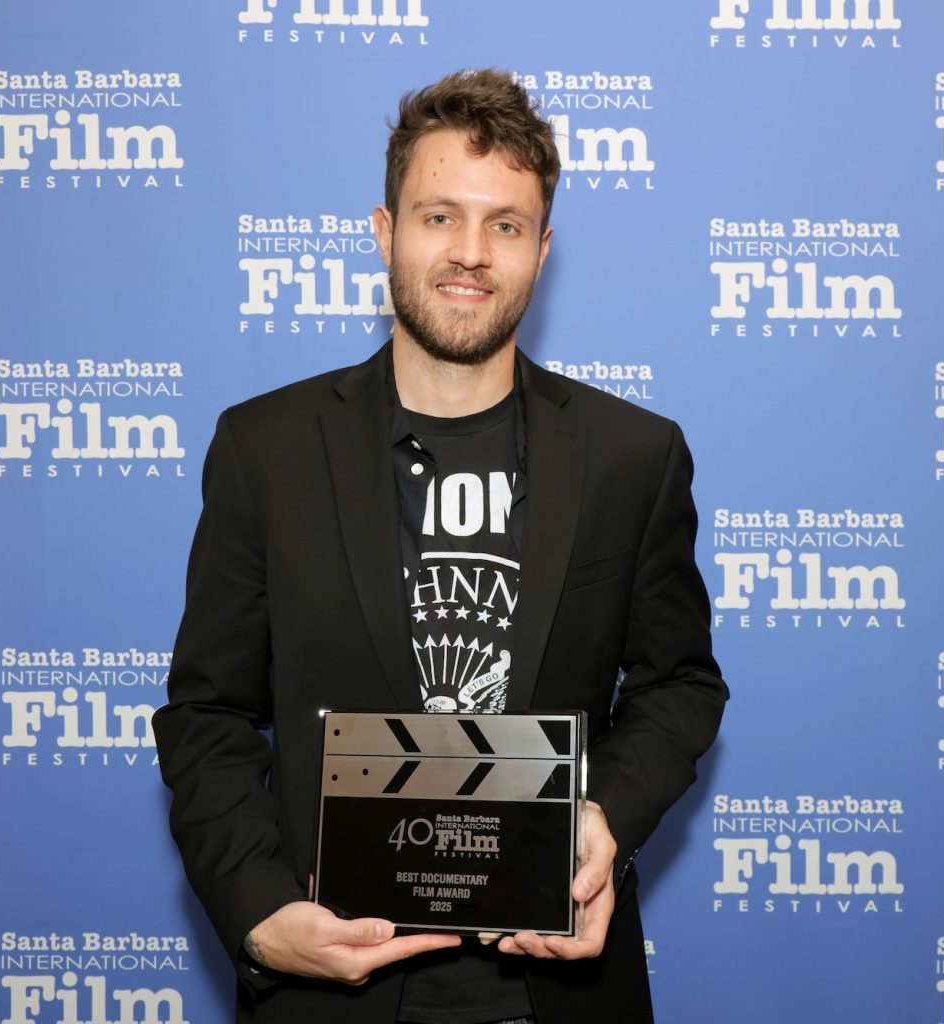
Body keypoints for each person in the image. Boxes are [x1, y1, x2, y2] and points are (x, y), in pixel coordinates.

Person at [153, 68, 726, 1024]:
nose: (470, 252)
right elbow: (207, 713)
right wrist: (260, 915)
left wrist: (603, 819)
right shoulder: (266, 449)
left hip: (556, 991)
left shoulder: (634, 456)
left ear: (543, 250)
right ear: (385, 232)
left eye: (506, 225)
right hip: (330, 997)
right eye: (439, 217)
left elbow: (680, 686)